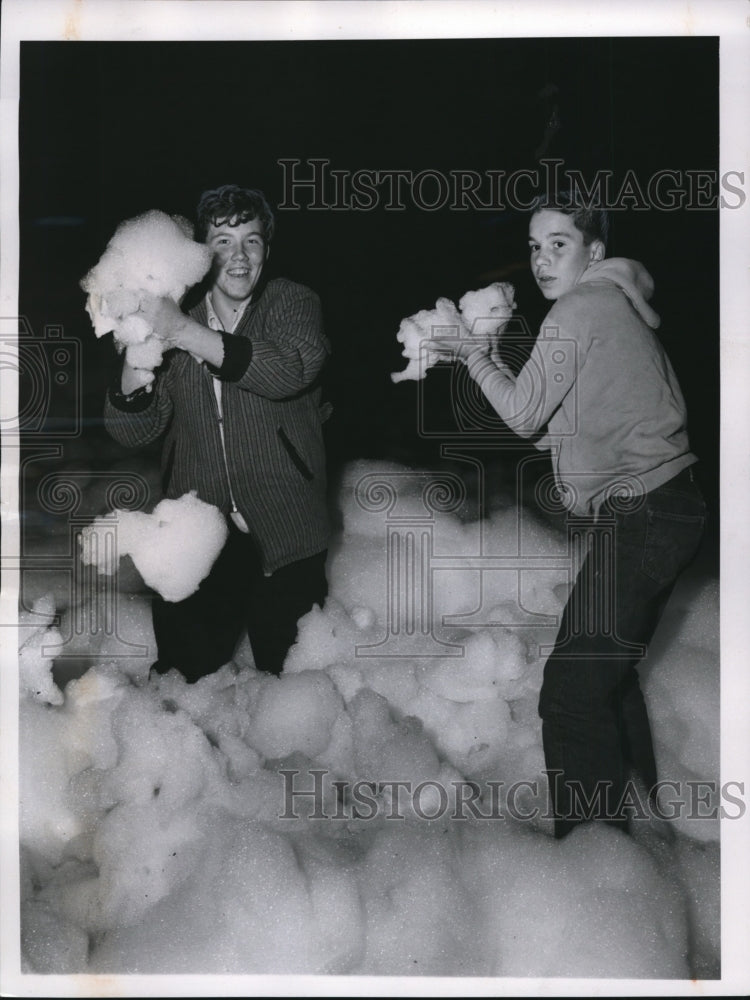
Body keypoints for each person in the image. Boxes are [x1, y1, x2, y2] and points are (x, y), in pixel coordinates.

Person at [435, 191, 706, 837]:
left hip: (647, 513)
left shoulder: (580, 308)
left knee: (571, 694)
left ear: (595, 252)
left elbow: (525, 416)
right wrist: (484, 353)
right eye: (534, 247)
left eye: (559, 244)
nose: (541, 260)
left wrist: (472, 352)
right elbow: (548, 419)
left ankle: (597, 869)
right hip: (663, 510)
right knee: (606, 680)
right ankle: (640, 830)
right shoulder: (609, 305)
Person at [104, 184, 330, 681]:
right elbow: (135, 431)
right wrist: (134, 367)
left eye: (252, 240)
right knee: (185, 682)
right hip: (196, 524)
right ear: (201, 255)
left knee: (292, 689)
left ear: (267, 249)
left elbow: (286, 371)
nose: (240, 255)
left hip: (287, 525)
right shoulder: (176, 311)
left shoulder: (293, 303)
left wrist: (182, 333)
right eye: (224, 241)